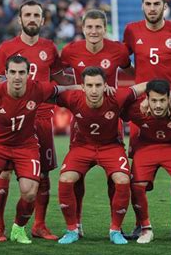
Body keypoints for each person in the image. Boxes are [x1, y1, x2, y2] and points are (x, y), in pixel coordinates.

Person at [0, 55, 73, 247]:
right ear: (6, 74)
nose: (17, 77)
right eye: (12, 72)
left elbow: (63, 89)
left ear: (28, 74)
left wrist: (85, 87)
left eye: (21, 73)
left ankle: (18, 229)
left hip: (26, 146)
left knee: (30, 193)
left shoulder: (37, 88)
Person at [0, 0, 68, 241]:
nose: (32, 19)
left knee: (43, 175)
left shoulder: (50, 48)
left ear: (42, 20)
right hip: (11, 121)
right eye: (27, 15)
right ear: (20, 19)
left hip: (41, 118)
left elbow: (58, 85)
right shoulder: (6, 48)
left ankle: (38, 225)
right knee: (2, 174)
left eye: (36, 15)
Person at [123, 0, 171, 239]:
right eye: (148, 4)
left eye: (157, 4)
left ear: (164, 6)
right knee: (138, 175)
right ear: (142, 6)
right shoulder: (132, 31)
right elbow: (123, 61)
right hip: (142, 111)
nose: (152, 8)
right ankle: (139, 223)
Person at [60, 9, 134, 236]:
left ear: (105, 29)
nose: (94, 31)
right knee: (75, 176)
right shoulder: (70, 51)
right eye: (89, 27)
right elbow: (57, 75)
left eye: (98, 27)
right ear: (83, 28)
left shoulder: (118, 50)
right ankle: (77, 224)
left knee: (117, 179)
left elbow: (131, 73)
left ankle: (115, 228)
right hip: (81, 123)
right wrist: (75, 88)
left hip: (111, 120)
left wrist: (117, 92)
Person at [55, 66, 147, 245]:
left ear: (106, 85)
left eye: (98, 85)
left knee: (122, 180)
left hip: (110, 147)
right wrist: (70, 87)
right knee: (66, 179)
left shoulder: (117, 97)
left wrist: (168, 94)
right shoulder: (73, 98)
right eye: (89, 85)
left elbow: (145, 86)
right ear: (83, 86)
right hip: (82, 147)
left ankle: (115, 230)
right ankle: (72, 229)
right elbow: (47, 92)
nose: (94, 90)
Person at [122, 79, 171, 244]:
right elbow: (119, 105)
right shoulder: (136, 109)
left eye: (163, 100)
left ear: (169, 98)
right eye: (154, 100)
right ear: (147, 99)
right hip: (147, 146)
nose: (158, 105)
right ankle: (145, 229)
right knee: (136, 186)